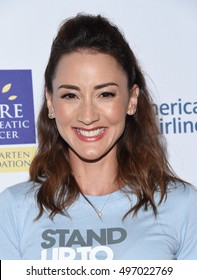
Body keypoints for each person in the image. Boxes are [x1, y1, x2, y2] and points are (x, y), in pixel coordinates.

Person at [0, 14, 197, 260]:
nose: (88, 116)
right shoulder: (13, 209)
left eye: (105, 94)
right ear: (50, 102)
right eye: (71, 95)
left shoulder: (182, 205)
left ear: (131, 99)